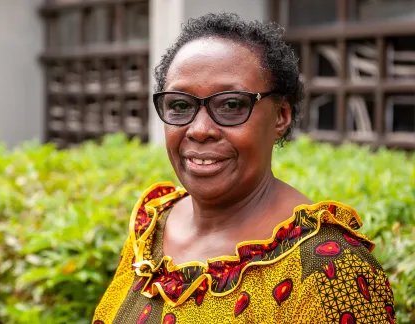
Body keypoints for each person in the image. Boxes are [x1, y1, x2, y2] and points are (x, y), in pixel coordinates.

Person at [92, 12, 396, 324]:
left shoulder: (327, 265)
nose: (199, 129)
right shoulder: (151, 228)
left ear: (281, 115)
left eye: (231, 105)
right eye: (181, 105)